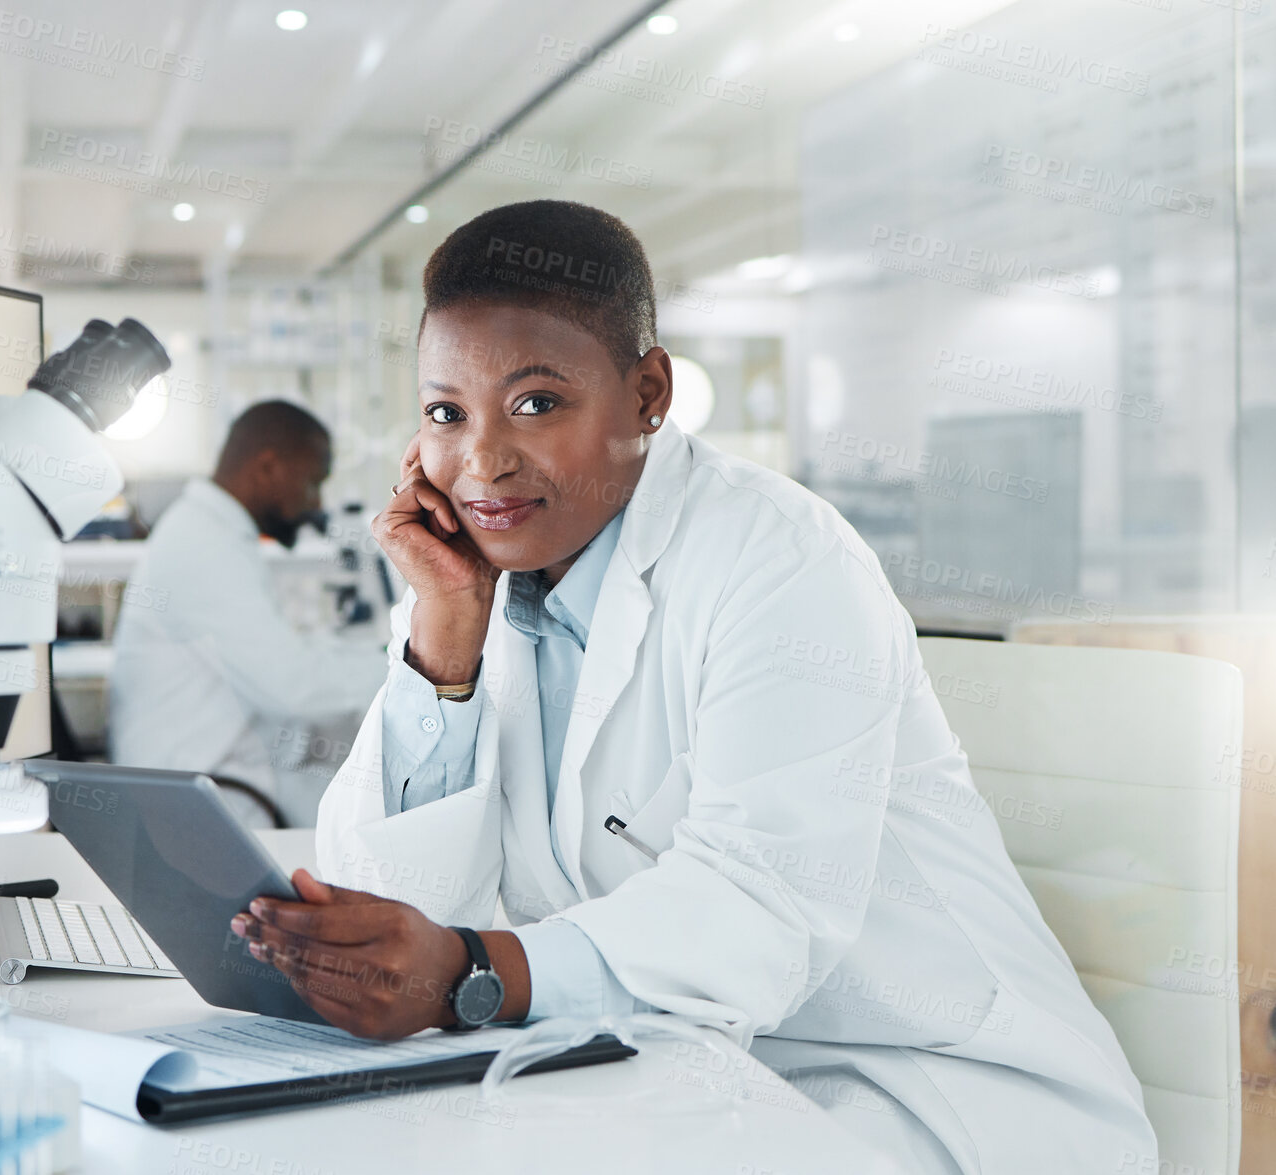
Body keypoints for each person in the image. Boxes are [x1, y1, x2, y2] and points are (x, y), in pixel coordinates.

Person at [228, 202, 1159, 1171]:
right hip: (669, 1068)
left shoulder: (780, 557)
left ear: (648, 393)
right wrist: (445, 642)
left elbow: (762, 905)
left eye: (536, 402)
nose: (483, 461)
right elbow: (392, 917)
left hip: (921, 1083)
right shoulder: (475, 589)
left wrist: (474, 969)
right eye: (444, 412)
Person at [108, 400, 387, 826]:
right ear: (269, 467)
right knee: (383, 806)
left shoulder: (209, 531)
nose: (315, 502)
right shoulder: (202, 545)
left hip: (218, 775)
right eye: (312, 481)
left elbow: (281, 666)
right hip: (208, 801)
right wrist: (406, 669)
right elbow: (293, 688)